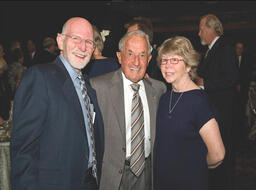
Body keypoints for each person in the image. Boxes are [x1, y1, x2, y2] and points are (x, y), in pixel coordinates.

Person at [10, 17, 104, 190]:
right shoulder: (40, 77)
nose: (83, 47)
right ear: (60, 41)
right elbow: (23, 151)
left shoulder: (88, 86)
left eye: (88, 42)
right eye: (76, 39)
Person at [90, 30, 166, 190]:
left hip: (147, 174)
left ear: (149, 59)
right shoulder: (98, 87)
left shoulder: (159, 90)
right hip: (111, 176)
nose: (136, 62)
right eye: (130, 54)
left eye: (142, 55)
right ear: (119, 57)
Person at [154, 36, 225, 190]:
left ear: (188, 66)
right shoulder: (165, 97)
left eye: (174, 60)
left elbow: (218, 154)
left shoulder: (199, 102)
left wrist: (194, 167)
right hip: (163, 182)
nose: (167, 66)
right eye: (164, 61)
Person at [197, 14, 239, 190]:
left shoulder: (225, 47)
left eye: (201, 29)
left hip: (223, 112)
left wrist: (205, 83)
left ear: (211, 29)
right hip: (216, 111)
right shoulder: (212, 49)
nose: (198, 33)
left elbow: (231, 79)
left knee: (224, 156)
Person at [124, 17, 166, 85]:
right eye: (127, 36)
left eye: (132, 35)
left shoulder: (162, 61)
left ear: (146, 37)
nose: (127, 39)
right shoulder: (125, 59)